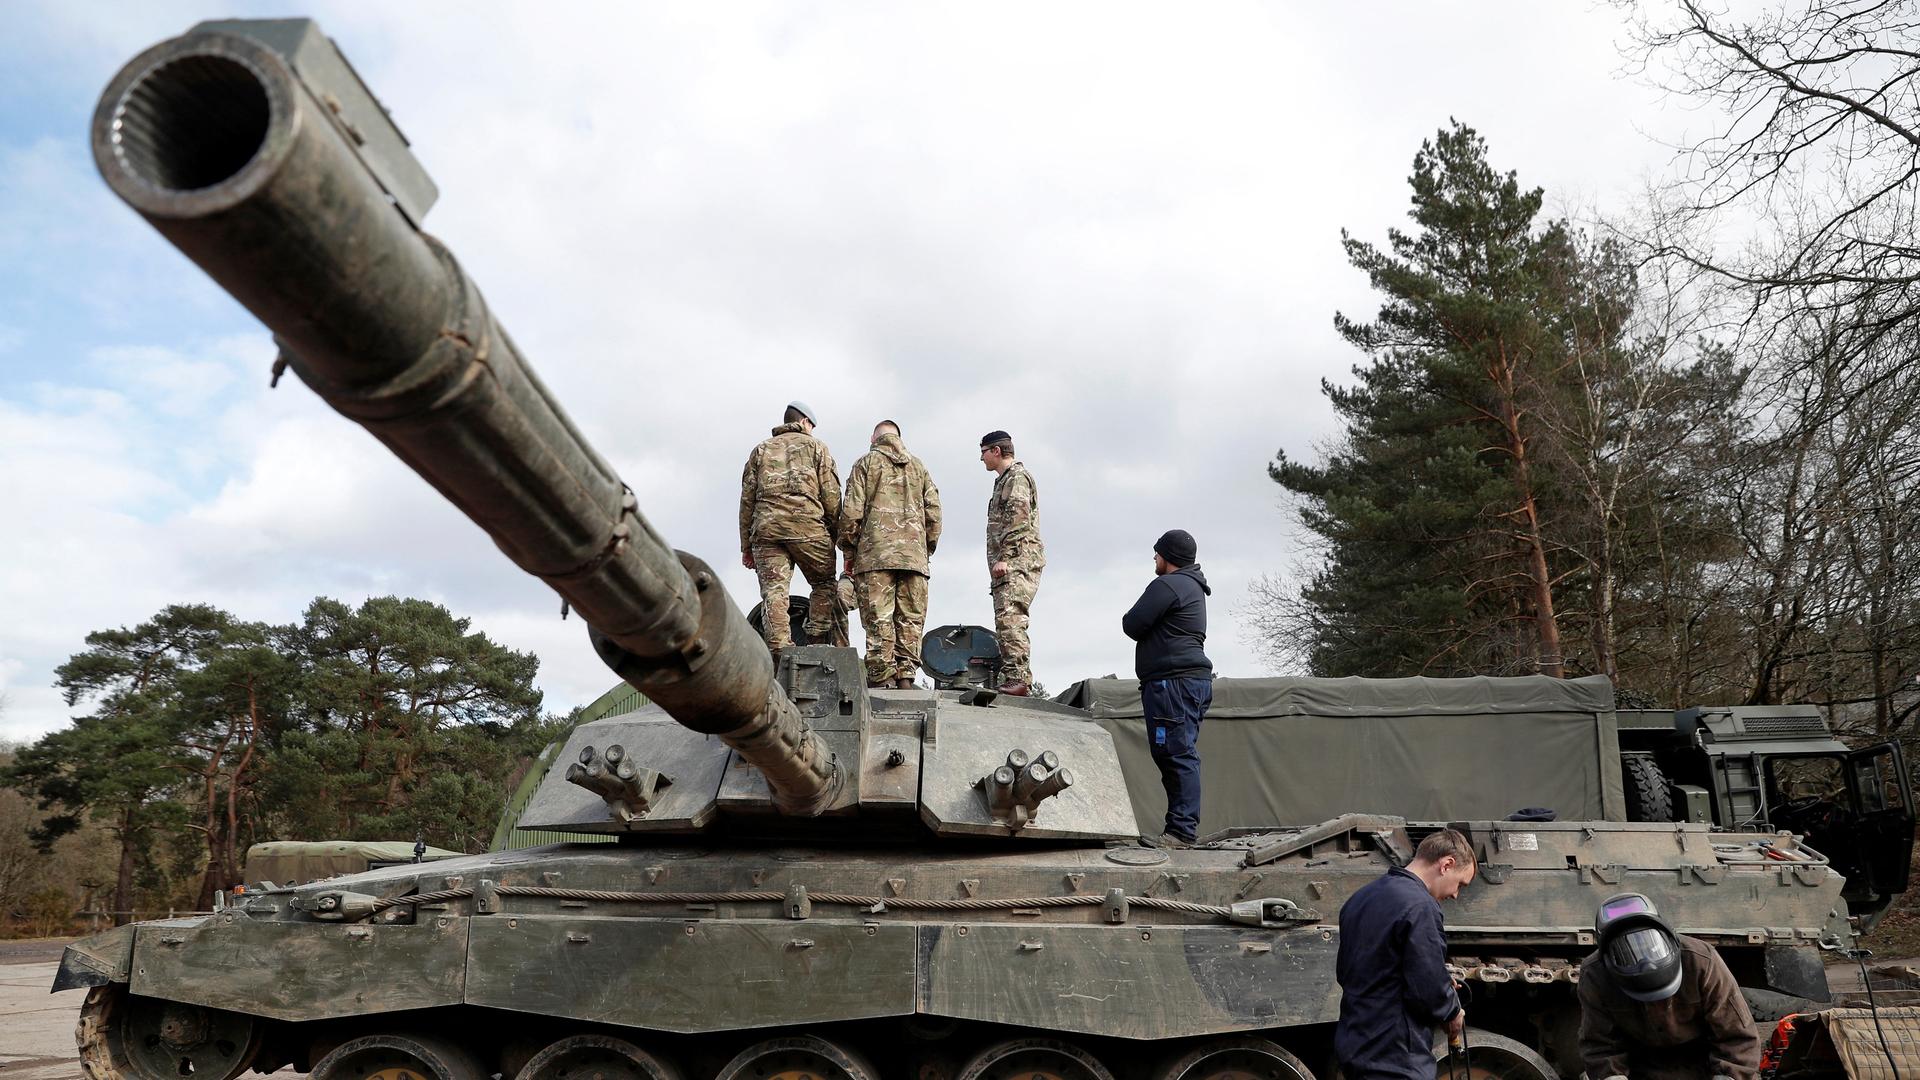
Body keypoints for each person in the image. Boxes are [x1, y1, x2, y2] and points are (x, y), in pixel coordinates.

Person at [1335, 829, 1476, 1080]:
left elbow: (1351, 971)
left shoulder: (1361, 898)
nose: (1456, 894)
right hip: (1396, 1054)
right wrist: (1452, 1012)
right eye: (1460, 884)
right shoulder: (1420, 906)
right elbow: (1428, 982)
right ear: (1446, 864)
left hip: (1356, 1043)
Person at [1578, 893, 1761, 1080]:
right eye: (1629, 951)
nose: (1644, 958)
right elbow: (1600, 1046)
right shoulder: (1594, 975)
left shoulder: (1702, 961)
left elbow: (1738, 1037)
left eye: (1649, 945)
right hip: (1639, 1067)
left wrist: (1729, 1075)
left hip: (1707, 1063)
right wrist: (1611, 1076)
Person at [1120, 529, 1213, 846]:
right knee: (1177, 752)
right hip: (1187, 683)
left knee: (1176, 754)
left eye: (1158, 552)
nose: (1154, 557)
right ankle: (1180, 828)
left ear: (1169, 556)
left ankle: (1181, 831)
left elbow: (1132, 623)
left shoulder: (1170, 585)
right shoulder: (1192, 587)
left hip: (1173, 684)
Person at [839, 420, 942, 689]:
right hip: (914, 558)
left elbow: (851, 513)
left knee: (878, 618)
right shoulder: (919, 467)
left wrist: (849, 550)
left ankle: (882, 676)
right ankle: (906, 676)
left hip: (875, 556)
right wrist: (924, 548)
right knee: (910, 618)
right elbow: (934, 513)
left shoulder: (865, 464)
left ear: (874, 439)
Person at [739, 401, 841, 654]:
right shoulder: (817, 447)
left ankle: (778, 650)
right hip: (808, 528)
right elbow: (831, 496)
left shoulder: (760, 450)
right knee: (824, 583)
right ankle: (816, 642)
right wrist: (837, 536)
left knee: (774, 592)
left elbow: (747, 502)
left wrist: (746, 546)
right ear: (805, 422)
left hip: (767, 531)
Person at [980, 430, 1043, 695]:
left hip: (1016, 562)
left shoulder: (1016, 478)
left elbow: (1018, 519)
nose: (981, 458)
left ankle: (1018, 679)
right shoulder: (1005, 480)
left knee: (1011, 618)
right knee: (1007, 618)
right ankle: (1017, 677)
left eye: (983, 451)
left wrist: (1005, 557)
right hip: (1012, 562)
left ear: (996, 451)